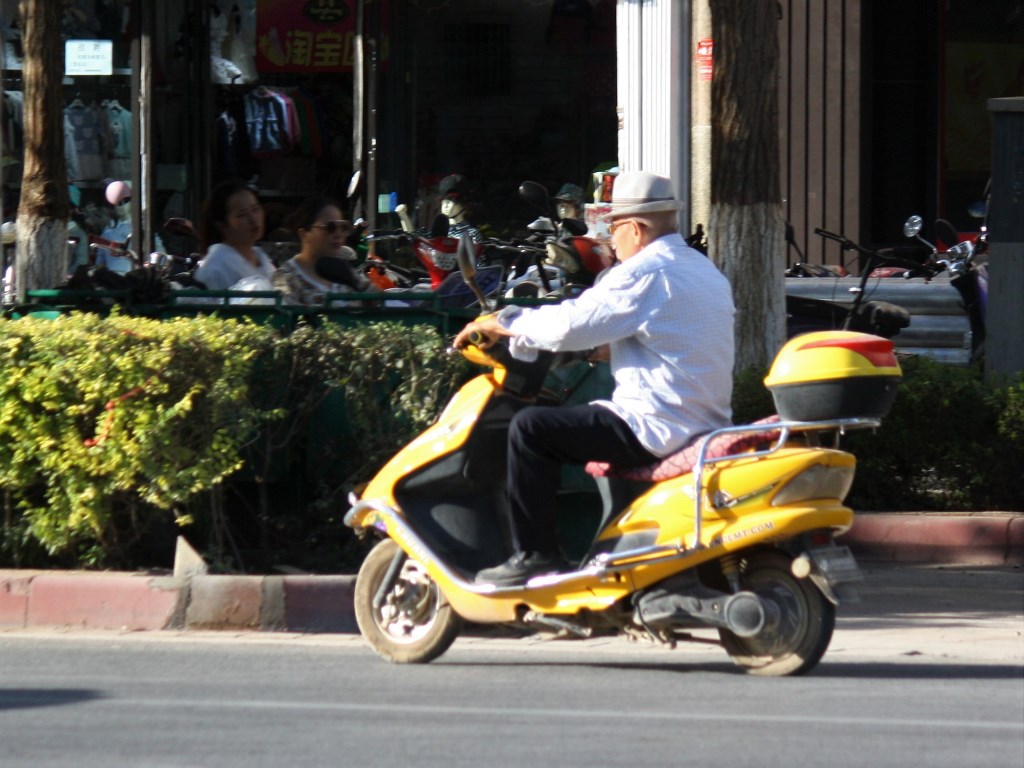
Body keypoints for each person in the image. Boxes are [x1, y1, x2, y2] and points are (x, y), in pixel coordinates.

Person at [453, 170, 736, 585]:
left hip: (655, 427)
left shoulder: (644, 272)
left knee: (531, 429)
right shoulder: (702, 270)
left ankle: (536, 556)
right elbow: (661, 336)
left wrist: (506, 321)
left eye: (612, 228)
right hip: (702, 421)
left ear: (635, 229)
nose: (608, 240)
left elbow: (572, 324)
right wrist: (599, 348)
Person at [272, 196, 372, 305]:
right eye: (330, 227)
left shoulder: (345, 270)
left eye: (343, 227)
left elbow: (381, 300)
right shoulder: (285, 278)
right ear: (304, 234)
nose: (338, 235)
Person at [194, 179, 275, 290]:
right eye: (241, 215)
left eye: (255, 209)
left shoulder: (261, 258)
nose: (253, 219)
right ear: (222, 225)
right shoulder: (216, 267)